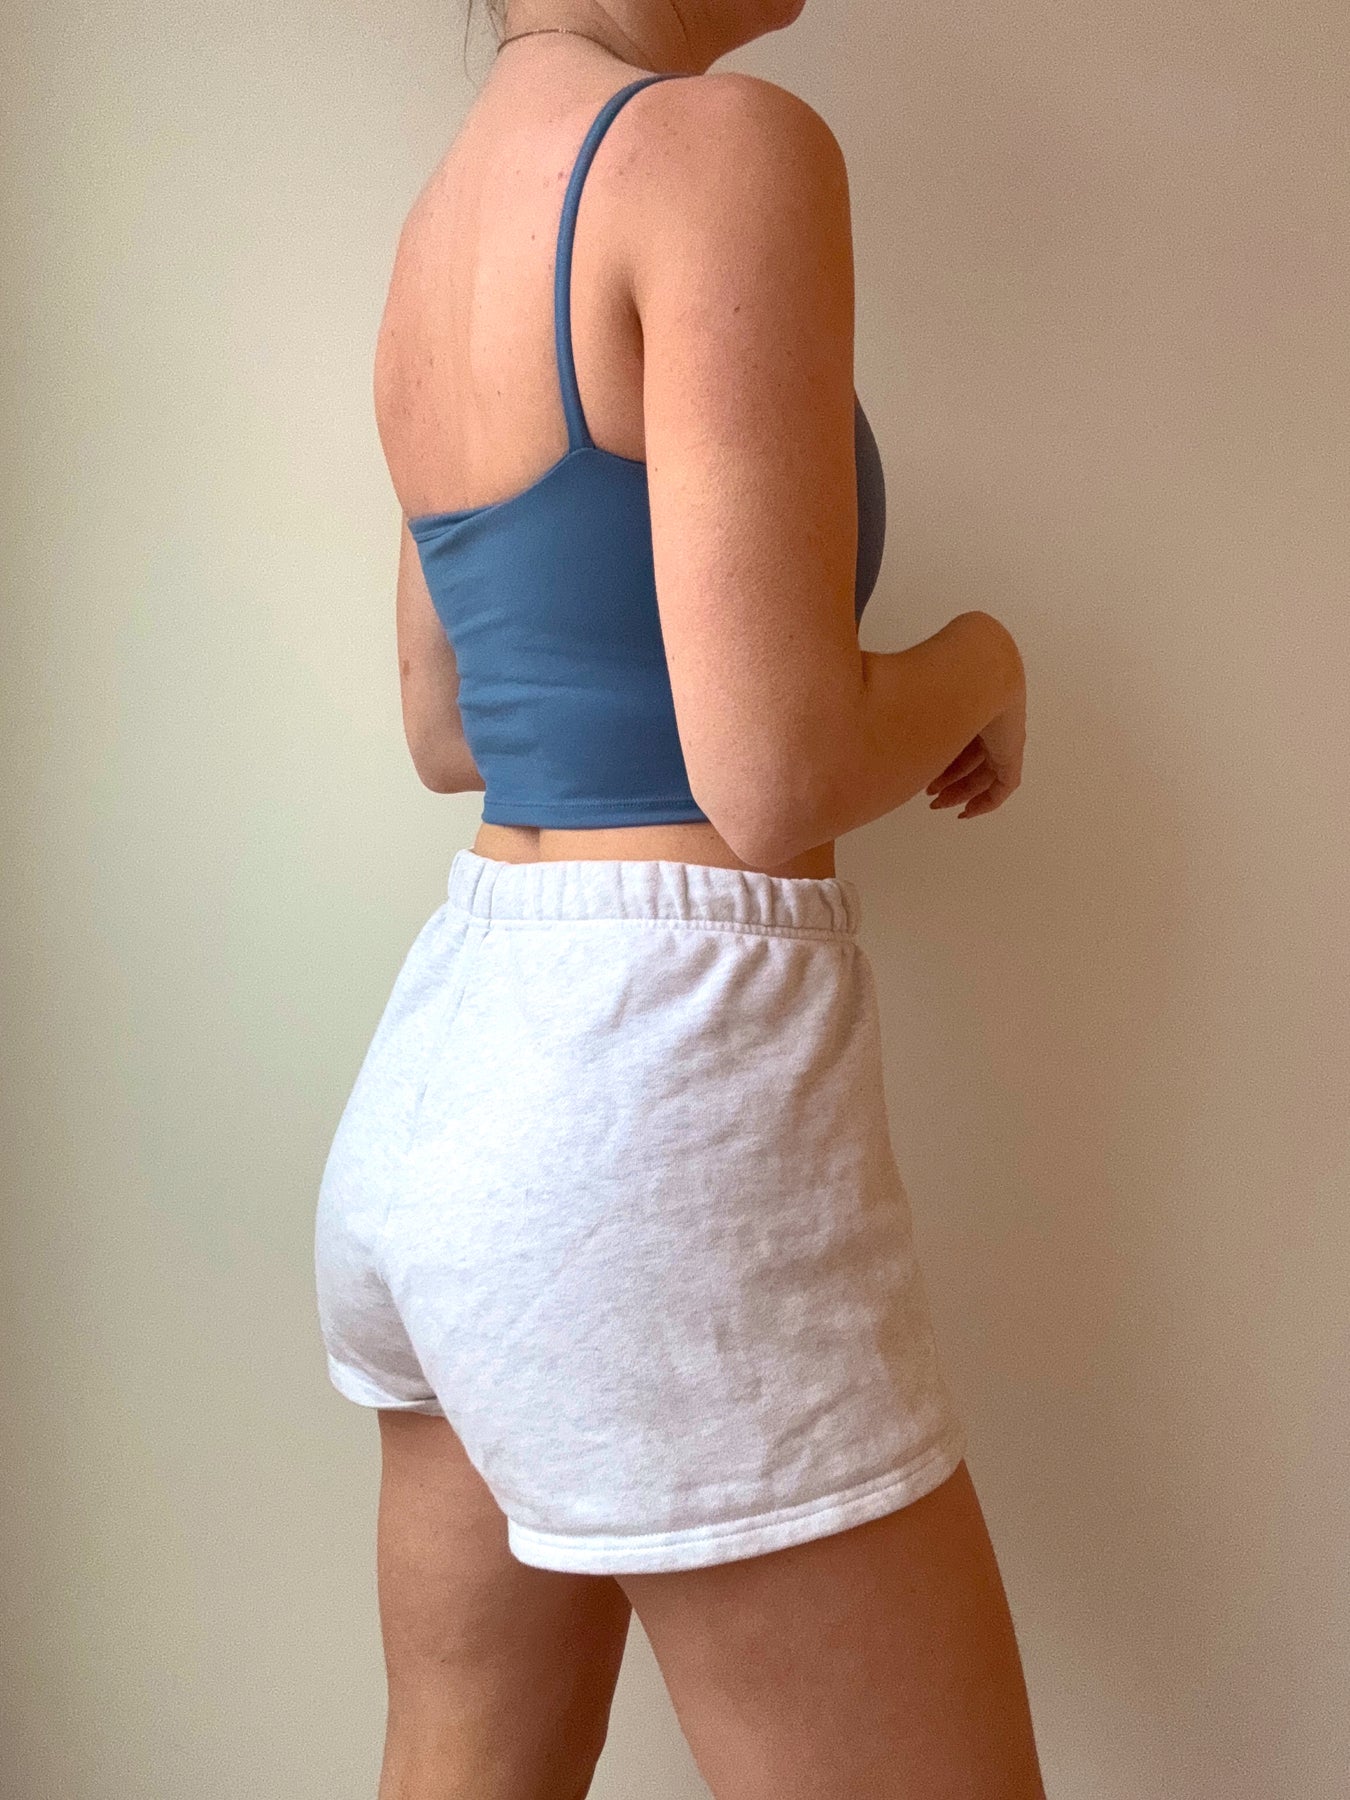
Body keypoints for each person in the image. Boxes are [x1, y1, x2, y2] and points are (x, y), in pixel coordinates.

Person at [314, 2, 1041, 1795]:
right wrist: (983, 658)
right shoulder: (720, 147)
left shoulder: (438, 223)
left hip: (448, 1078)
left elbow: (445, 731)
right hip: (651, 1097)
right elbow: (773, 775)